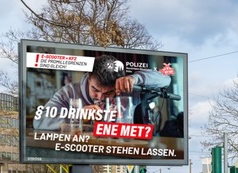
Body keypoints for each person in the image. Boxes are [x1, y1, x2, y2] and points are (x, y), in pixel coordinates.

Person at [33, 54, 171, 131]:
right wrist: (78, 117)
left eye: (108, 92)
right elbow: (38, 121)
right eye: (95, 90)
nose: (100, 97)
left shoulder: (129, 90)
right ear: (89, 77)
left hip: (122, 151)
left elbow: (166, 79)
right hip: (81, 151)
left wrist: (136, 78)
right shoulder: (69, 92)